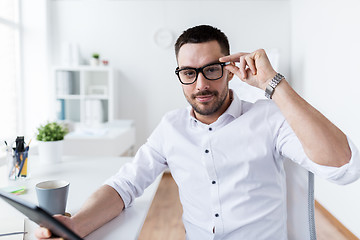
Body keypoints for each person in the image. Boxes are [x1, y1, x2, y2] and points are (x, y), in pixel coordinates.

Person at [36, 25, 360, 240]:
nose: (201, 84)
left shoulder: (269, 118)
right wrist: (74, 225)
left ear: (230, 71)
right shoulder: (170, 127)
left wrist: (272, 84)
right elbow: (124, 186)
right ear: (180, 76)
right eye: (189, 73)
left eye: (212, 70)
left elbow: (345, 167)